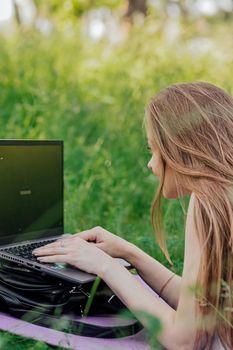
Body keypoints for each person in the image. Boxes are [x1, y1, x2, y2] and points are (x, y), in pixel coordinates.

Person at [32, 82, 233, 350]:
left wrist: (105, 266)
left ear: (180, 147)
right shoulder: (222, 196)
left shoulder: (208, 204)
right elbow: (199, 307)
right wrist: (129, 253)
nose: (151, 164)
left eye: (153, 149)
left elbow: (185, 340)